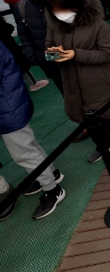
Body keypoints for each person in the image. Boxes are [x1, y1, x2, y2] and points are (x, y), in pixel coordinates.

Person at [45, 0, 110, 166]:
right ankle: (103, 144)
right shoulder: (55, 26)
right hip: (71, 81)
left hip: (98, 80)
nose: (60, 14)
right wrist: (55, 54)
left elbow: (108, 53)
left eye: (62, 9)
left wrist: (76, 54)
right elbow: (48, 50)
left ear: (74, 5)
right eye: (54, 11)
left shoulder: (98, 24)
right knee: (85, 118)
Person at [0, 41, 66, 219]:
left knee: (24, 152)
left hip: (6, 109)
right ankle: (52, 174)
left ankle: (52, 190)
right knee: (28, 146)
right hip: (9, 105)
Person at [12, 0, 63, 94]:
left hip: (74, 57)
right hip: (48, 60)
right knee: (68, 95)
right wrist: (35, 57)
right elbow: (23, 35)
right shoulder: (21, 7)